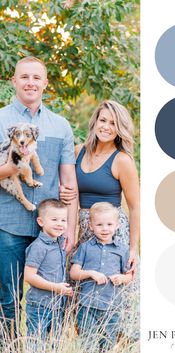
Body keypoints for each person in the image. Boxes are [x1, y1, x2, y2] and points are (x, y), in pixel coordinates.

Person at [0, 57, 78, 338]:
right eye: (24, 77)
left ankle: (44, 346)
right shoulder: (1, 119)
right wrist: (11, 167)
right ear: (14, 81)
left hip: (51, 231)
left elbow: (69, 182)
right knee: (8, 298)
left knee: (50, 297)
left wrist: (70, 228)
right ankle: (10, 346)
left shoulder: (61, 126)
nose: (30, 82)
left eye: (36, 77)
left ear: (45, 83)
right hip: (7, 224)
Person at [60, 99, 139, 273]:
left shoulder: (122, 160)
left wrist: (133, 249)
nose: (106, 127)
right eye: (103, 120)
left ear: (120, 129)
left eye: (113, 123)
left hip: (111, 231)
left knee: (109, 289)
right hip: (85, 227)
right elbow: (67, 186)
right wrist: (62, 191)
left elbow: (135, 208)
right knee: (80, 285)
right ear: (95, 121)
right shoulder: (78, 151)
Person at [70, 202, 132, 352]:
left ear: (117, 225)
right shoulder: (85, 248)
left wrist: (121, 278)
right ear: (91, 226)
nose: (105, 228)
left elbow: (129, 276)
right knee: (88, 344)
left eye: (109, 224)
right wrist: (90, 273)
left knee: (108, 343)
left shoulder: (122, 250)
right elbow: (74, 273)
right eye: (99, 224)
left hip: (111, 306)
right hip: (87, 305)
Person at [24, 199, 73, 343]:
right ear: (41, 221)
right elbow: (29, 276)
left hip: (58, 306)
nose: (60, 224)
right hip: (40, 305)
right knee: (36, 343)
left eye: (63, 220)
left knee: (55, 344)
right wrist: (56, 288)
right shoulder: (38, 247)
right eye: (54, 219)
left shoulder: (60, 244)